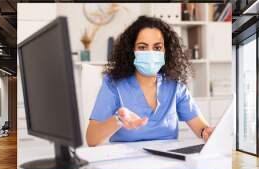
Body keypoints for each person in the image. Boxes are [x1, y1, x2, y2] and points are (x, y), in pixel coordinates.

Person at [86, 16, 214, 147]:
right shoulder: (114, 84)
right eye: (142, 47)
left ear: (166, 50)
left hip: (168, 161)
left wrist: (207, 132)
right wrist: (119, 120)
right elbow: (91, 139)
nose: (150, 53)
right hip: (127, 163)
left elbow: (201, 128)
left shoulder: (174, 85)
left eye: (157, 48)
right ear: (131, 50)